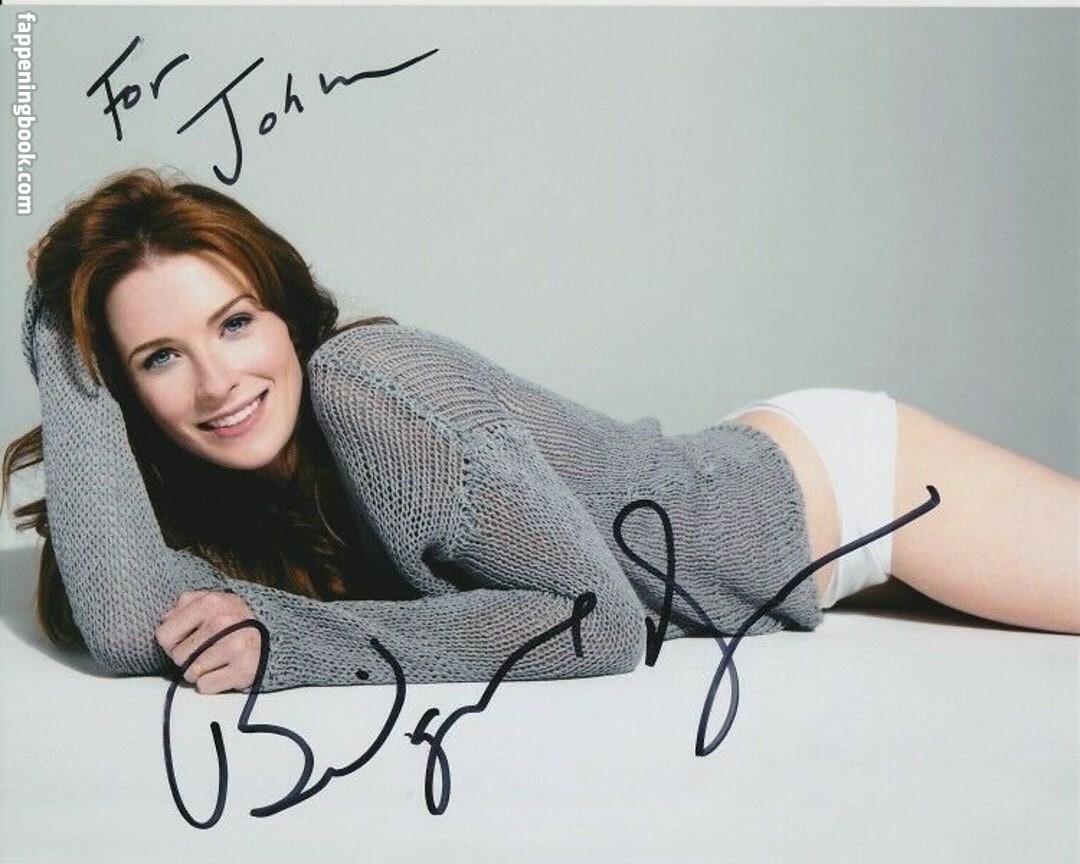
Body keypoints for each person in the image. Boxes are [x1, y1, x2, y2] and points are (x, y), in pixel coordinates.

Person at [4, 170, 1077, 696]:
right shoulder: (224, 500)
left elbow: (598, 626)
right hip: (760, 557)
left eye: (235, 322)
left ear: (286, 314)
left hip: (841, 489)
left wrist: (300, 644)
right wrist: (63, 313)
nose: (217, 381)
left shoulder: (366, 388)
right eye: (158, 357)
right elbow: (130, 628)